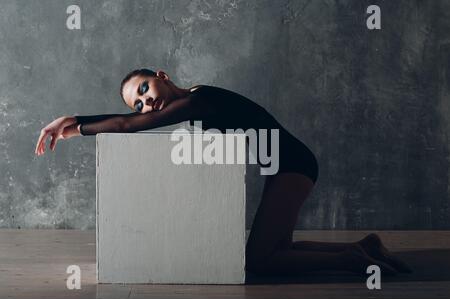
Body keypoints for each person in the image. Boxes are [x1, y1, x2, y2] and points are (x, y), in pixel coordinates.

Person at [35, 68, 411, 276]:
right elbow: (131, 121)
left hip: (292, 165)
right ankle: (364, 246)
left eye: (145, 88)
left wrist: (75, 125)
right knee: (279, 250)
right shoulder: (192, 101)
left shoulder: (199, 100)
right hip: (285, 165)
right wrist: (77, 123)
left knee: (260, 263)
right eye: (141, 102)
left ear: (162, 75)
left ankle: (352, 261)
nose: (147, 101)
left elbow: (130, 125)